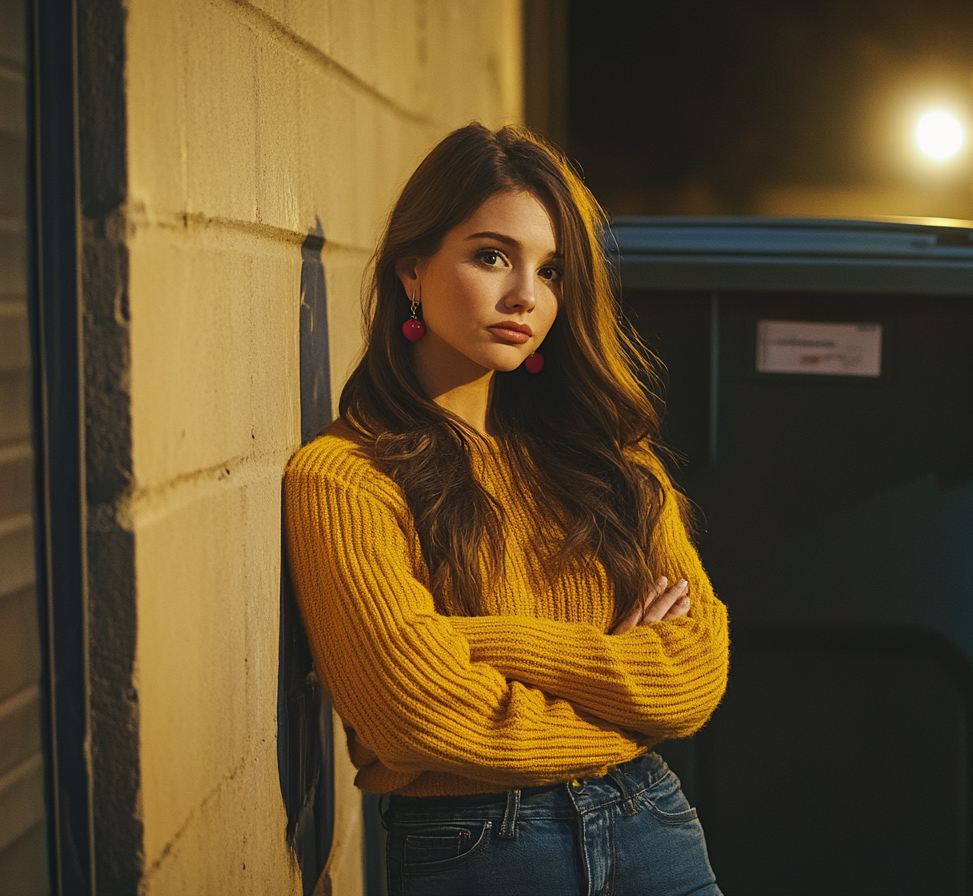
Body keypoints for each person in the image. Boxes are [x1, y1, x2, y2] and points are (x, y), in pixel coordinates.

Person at [284, 122, 728, 895]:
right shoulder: (346, 480)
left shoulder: (610, 460)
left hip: (651, 822)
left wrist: (486, 643)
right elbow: (414, 715)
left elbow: (693, 675)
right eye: (492, 256)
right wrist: (619, 684)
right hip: (482, 849)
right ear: (412, 272)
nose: (526, 295)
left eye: (551, 271)